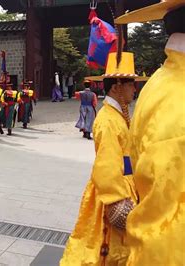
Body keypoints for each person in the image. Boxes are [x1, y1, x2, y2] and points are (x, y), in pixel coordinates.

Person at [115, 3, 185, 265]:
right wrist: (114, 196)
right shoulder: (179, 101)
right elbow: (170, 235)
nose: (133, 89)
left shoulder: (162, 81)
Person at [60, 52, 143, 265]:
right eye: (131, 84)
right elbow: (106, 165)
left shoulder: (117, 115)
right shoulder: (107, 120)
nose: (134, 88)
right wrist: (118, 201)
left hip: (126, 185)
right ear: (116, 86)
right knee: (107, 250)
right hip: (113, 191)